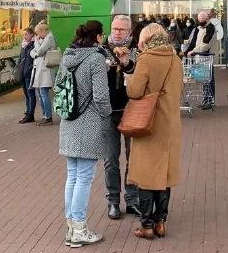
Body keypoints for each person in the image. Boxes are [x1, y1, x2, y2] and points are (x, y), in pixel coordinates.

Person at [58, 20, 116, 248]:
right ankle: (80, 228)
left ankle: (71, 227)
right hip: (89, 123)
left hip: (68, 121)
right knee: (84, 177)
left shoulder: (68, 56)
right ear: (99, 36)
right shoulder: (95, 59)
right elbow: (101, 96)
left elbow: (59, 86)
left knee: (72, 176)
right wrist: (108, 113)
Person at [125, 24, 182, 240]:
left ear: (146, 38)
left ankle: (147, 225)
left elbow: (135, 91)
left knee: (146, 174)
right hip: (170, 124)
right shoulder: (176, 59)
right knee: (164, 173)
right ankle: (161, 222)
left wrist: (129, 79)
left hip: (148, 123)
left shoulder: (146, 58)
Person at [102, 15, 141, 220]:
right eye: (115, 28)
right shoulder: (101, 50)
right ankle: (113, 201)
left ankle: (132, 200)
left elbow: (140, 78)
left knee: (133, 158)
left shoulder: (136, 51)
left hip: (131, 111)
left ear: (129, 32)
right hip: (108, 112)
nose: (117, 32)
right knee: (111, 160)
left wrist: (127, 64)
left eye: (122, 29)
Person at [185, 11, 218, 110]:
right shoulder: (200, 28)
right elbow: (198, 42)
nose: (200, 22)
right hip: (201, 57)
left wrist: (193, 51)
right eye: (199, 21)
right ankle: (205, 100)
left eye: (202, 21)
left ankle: (209, 101)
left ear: (207, 19)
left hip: (207, 57)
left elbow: (205, 45)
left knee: (209, 80)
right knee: (204, 80)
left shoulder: (210, 28)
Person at [30, 22, 57, 126]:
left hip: (45, 70)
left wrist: (36, 43)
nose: (37, 36)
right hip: (40, 70)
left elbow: (40, 51)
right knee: (40, 94)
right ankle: (45, 115)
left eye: (38, 33)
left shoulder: (49, 38)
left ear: (42, 31)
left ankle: (48, 116)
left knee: (43, 94)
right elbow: (32, 52)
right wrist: (36, 52)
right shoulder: (43, 39)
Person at [18, 28, 36, 124]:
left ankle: (30, 114)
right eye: (23, 35)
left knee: (30, 93)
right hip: (23, 73)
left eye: (26, 34)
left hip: (29, 72)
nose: (24, 37)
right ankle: (27, 111)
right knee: (26, 94)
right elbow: (20, 58)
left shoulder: (34, 45)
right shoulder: (24, 45)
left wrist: (30, 68)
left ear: (31, 34)